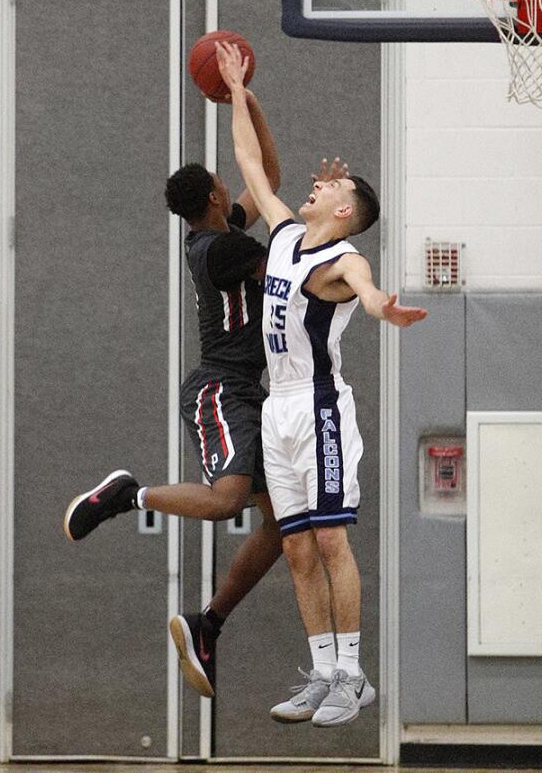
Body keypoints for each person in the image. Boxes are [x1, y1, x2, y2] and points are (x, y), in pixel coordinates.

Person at [61, 86, 351, 700]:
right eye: (228, 185)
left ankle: (207, 623)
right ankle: (126, 494)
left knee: (281, 525)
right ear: (217, 194)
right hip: (221, 389)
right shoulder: (220, 249)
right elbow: (288, 247)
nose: (236, 189)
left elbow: (267, 174)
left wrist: (246, 100)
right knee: (226, 501)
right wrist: (342, 242)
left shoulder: (225, 230)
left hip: (252, 393)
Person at [214, 40, 428, 728]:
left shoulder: (344, 256)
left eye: (332, 188)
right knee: (298, 546)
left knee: (332, 541)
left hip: (321, 410)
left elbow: (364, 291)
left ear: (344, 212)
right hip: (277, 410)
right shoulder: (280, 235)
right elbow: (249, 160)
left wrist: (381, 307)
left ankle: (354, 674)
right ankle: (323, 670)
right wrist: (236, 91)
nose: (318, 184)